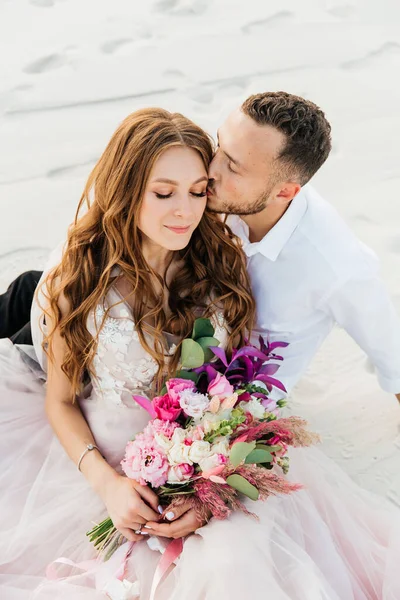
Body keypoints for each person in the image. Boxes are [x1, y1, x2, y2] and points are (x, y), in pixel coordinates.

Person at [1, 106, 399, 600]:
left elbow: (234, 389)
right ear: (127, 190)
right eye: (165, 193)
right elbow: (60, 399)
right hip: (90, 446)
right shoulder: (78, 281)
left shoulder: (234, 268)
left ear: (283, 191)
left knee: (235, 563)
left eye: (199, 190)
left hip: (196, 455)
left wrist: (209, 485)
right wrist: (106, 485)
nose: (189, 208)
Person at [207, 91, 400, 403]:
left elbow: (388, 344)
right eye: (219, 144)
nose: (210, 170)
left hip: (241, 404)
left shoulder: (333, 265)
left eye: (232, 166)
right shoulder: (214, 193)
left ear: (284, 192)